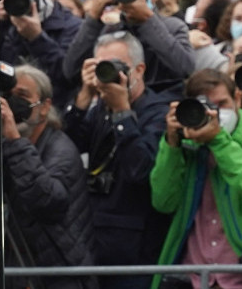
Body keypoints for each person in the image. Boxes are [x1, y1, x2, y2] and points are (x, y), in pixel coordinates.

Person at [151, 69, 242, 289]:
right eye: (207, 107)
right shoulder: (188, 143)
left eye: (222, 104)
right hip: (194, 278)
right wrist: (171, 144)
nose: (215, 114)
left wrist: (218, 141)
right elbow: (163, 201)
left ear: (237, 97)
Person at [62, 31, 175, 289]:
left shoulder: (158, 113)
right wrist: (82, 98)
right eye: (102, 66)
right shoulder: (101, 108)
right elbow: (67, 146)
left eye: (116, 66)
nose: (109, 75)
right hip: (93, 238)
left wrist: (123, 112)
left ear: (139, 69)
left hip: (136, 248)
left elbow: (141, 170)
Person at [0, 65, 96, 289]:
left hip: (58, 272)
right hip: (21, 268)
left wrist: (14, 140)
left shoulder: (60, 149)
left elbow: (48, 202)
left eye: (22, 96)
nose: (13, 106)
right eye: (8, 97)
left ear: (44, 107)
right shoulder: (6, 145)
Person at [63, 0, 195, 93]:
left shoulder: (173, 27)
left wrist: (147, 21)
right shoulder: (107, 31)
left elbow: (185, 69)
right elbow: (70, 71)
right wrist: (93, 18)